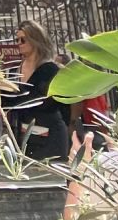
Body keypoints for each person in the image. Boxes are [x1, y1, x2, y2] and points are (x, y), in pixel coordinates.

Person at [6, 20, 70, 161]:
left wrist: (15, 98)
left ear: (35, 39)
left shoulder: (50, 69)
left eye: (22, 39)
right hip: (21, 133)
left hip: (49, 133)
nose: (19, 43)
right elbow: (6, 103)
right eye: (17, 40)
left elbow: (46, 101)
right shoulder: (13, 71)